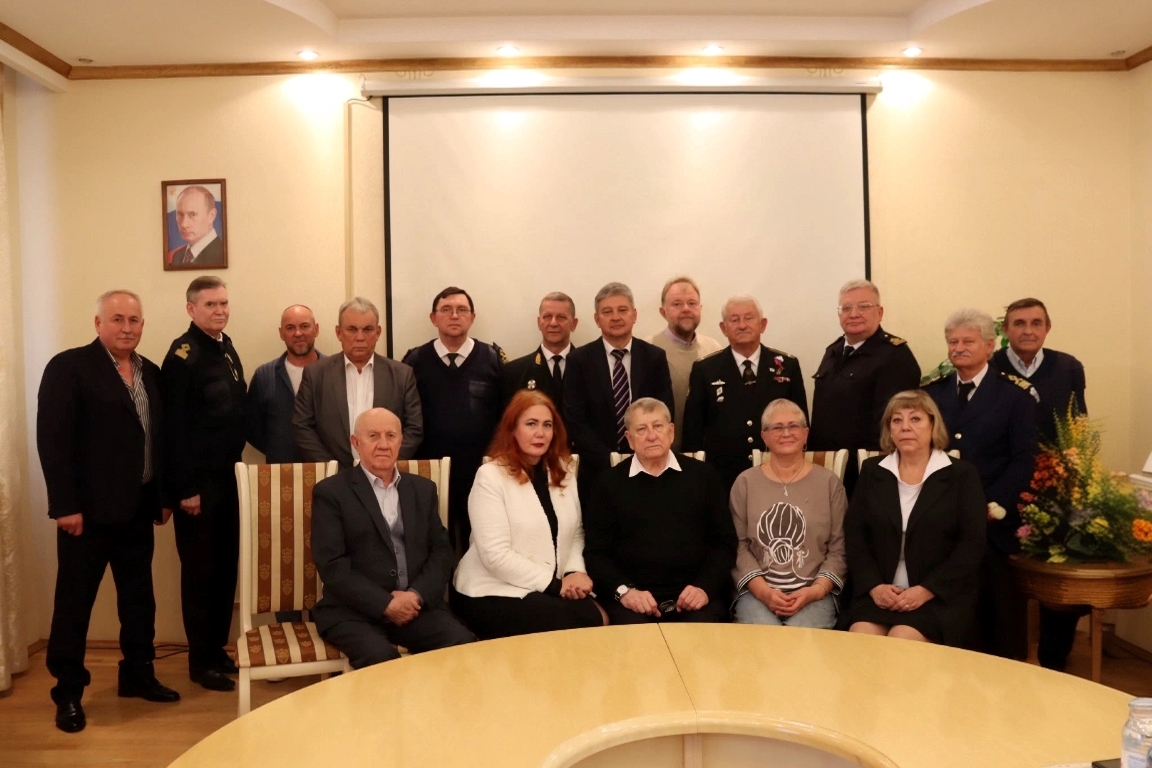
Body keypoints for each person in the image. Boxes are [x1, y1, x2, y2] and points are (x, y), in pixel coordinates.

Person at [37, 290, 179, 733]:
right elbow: (53, 441)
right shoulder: (69, 367)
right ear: (98, 323)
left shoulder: (150, 372)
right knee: (74, 604)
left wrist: (162, 497)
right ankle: (68, 692)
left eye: (134, 320)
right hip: (86, 515)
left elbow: (158, 440)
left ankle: (137, 674)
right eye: (117, 319)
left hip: (138, 508)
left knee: (139, 600)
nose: (127, 328)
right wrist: (65, 506)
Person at [311, 408, 475, 668]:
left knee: (461, 643)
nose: (383, 444)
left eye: (391, 435)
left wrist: (416, 596)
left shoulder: (422, 490)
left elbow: (441, 552)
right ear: (356, 442)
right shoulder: (331, 493)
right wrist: (385, 603)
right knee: (380, 659)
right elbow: (332, 565)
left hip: (415, 608)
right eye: (373, 436)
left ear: (401, 441)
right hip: (353, 611)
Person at [923, 308, 1037, 659]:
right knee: (949, 611)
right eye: (953, 341)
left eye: (968, 341)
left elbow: (1023, 460)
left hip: (993, 520)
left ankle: (1003, 678)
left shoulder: (1015, 395)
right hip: (942, 517)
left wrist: (992, 504)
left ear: (989, 345)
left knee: (996, 614)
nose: (958, 348)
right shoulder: (931, 394)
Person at [450, 391, 606, 638]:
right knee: (584, 622)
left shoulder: (563, 470)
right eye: (531, 424)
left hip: (546, 585)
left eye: (547, 425)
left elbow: (575, 532)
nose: (540, 433)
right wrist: (555, 585)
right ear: (512, 429)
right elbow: (495, 555)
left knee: (599, 616)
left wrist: (574, 571)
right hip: (491, 589)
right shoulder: (490, 476)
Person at [844, 390, 986, 646]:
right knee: (861, 640)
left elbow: (971, 545)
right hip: (880, 594)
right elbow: (855, 537)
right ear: (889, 429)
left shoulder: (961, 475)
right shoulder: (872, 471)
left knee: (902, 640)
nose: (905, 427)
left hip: (938, 596)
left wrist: (927, 590)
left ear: (933, 425)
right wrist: (874, 586)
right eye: (897, 420)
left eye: (915, 419)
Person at [161, 275, 247, 692]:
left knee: (225, 569)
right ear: (191, 309)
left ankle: (216, 650)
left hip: (228, 479)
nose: (220, 310)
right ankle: (200, 661)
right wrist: (185, 488)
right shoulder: (184, 356)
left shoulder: (225, 347)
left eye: (224, 303)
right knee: (200, 574)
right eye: (211, 304)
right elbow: (173, 429)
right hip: (198, 486)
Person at [993, 297, 1088, 671]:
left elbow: (1078, 425)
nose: (1028, 330)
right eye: (1019, 323)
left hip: (1054, 487)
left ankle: (1053, 659)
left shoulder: (1068, 367)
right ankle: (1006, 656)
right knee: (1001, 571)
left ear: (1047, 328)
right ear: (1005, 330)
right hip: (1004, 488)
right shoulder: (991, 366)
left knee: (1061, 573)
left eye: (1036, 323)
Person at [583, 398, 735, 625]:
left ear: (671, 432)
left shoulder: (704, 476)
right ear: (629, 439)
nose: (651, 436)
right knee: (636, 640)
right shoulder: (608, 483)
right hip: (632, 600)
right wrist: (625, 591)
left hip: (695, 596)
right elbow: (596, 554)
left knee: (700, 639)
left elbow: (724, 544)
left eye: (658, 426)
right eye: (641, 429)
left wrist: (704, 587)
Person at [403, 287, 504, 553]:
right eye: (446, 310)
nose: (454, 315)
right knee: (434, 544)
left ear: (472, 317)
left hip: (481, 471)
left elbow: (505, 416)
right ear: (433, 318)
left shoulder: (492, 358)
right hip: (430, 471)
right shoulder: (414, 360)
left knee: (480, 543)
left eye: (462, 310)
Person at [730, 399, 846, 628]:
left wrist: (814, 591)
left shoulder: (829, 483)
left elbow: (838, 549)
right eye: (777, 427)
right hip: (756, 593)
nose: (786, 433)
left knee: (798, 639)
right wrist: (764, 593)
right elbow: (738, 546)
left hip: (815, 593)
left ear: (805, 433)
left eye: (793, 426)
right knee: (766, 637)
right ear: (764, 436)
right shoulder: (745, 483)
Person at [681, 295, 807, 490]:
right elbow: (693, 433)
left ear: (763, 324)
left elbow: (802, 425)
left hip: (778, 473)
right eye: (734, 320)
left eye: (749, 318)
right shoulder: (705, 369)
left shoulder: (787, 366)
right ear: (723, 328)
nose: (742, 325)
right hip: (722, 477)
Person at [808, 279, 921, 495]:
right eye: (846, 308)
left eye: (863, 306)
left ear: (880, 312)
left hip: (868, 471)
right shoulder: (833, 352)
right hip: (829, 469)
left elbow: (894, 424)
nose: (854, 314)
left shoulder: (895, 355)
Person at [563, 282, 674, 502]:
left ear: (634, 315)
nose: (615, 317)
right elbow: (575, 420)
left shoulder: (654, 357)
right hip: (597, 471)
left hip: (649, 466)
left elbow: (665, 411)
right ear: (597, 319)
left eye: (622, 310)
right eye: (607, 312)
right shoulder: (578, 361)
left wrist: (640, 455)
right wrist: (611, 460)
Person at [294, 297, 422, 466]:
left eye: (368, 329)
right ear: (339, 333)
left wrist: (384, 463)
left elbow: (414, 429)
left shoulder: (402, 375)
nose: (360, 337)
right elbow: (302, 427)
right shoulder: (315, 374)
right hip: (333, 474)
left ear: (378, 332)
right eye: (352, 329)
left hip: (385, 474)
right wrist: (333, 469)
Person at [647, 276, 722, 448]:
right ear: (663, 312)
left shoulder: (714, 349)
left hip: (706, 453)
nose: (686, 309)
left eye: (692, 303)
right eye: (677, 304)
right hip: (661, 452)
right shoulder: (648, 350)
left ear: (700, 308)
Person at [247, 305, 324, 463]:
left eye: (304, 326)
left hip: (329, 470)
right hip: (280, 471)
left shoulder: (334, 372)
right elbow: (251, 428)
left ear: (316, 329)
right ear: (281, 333)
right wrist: (278, 449)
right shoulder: (264, 376)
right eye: (290, 328)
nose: (298, 333)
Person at [502, 291, 578, 409]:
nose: (553, 323)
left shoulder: (590, 368)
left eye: (561, 317)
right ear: (539, 322)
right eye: (547, 317)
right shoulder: (513, 373)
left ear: (574, 324)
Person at [166, 185, 224, 267]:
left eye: (193, 214)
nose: (184, 224)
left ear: (211, 216)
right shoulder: (177, 256)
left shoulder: (222, 255)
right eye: (180, 214)